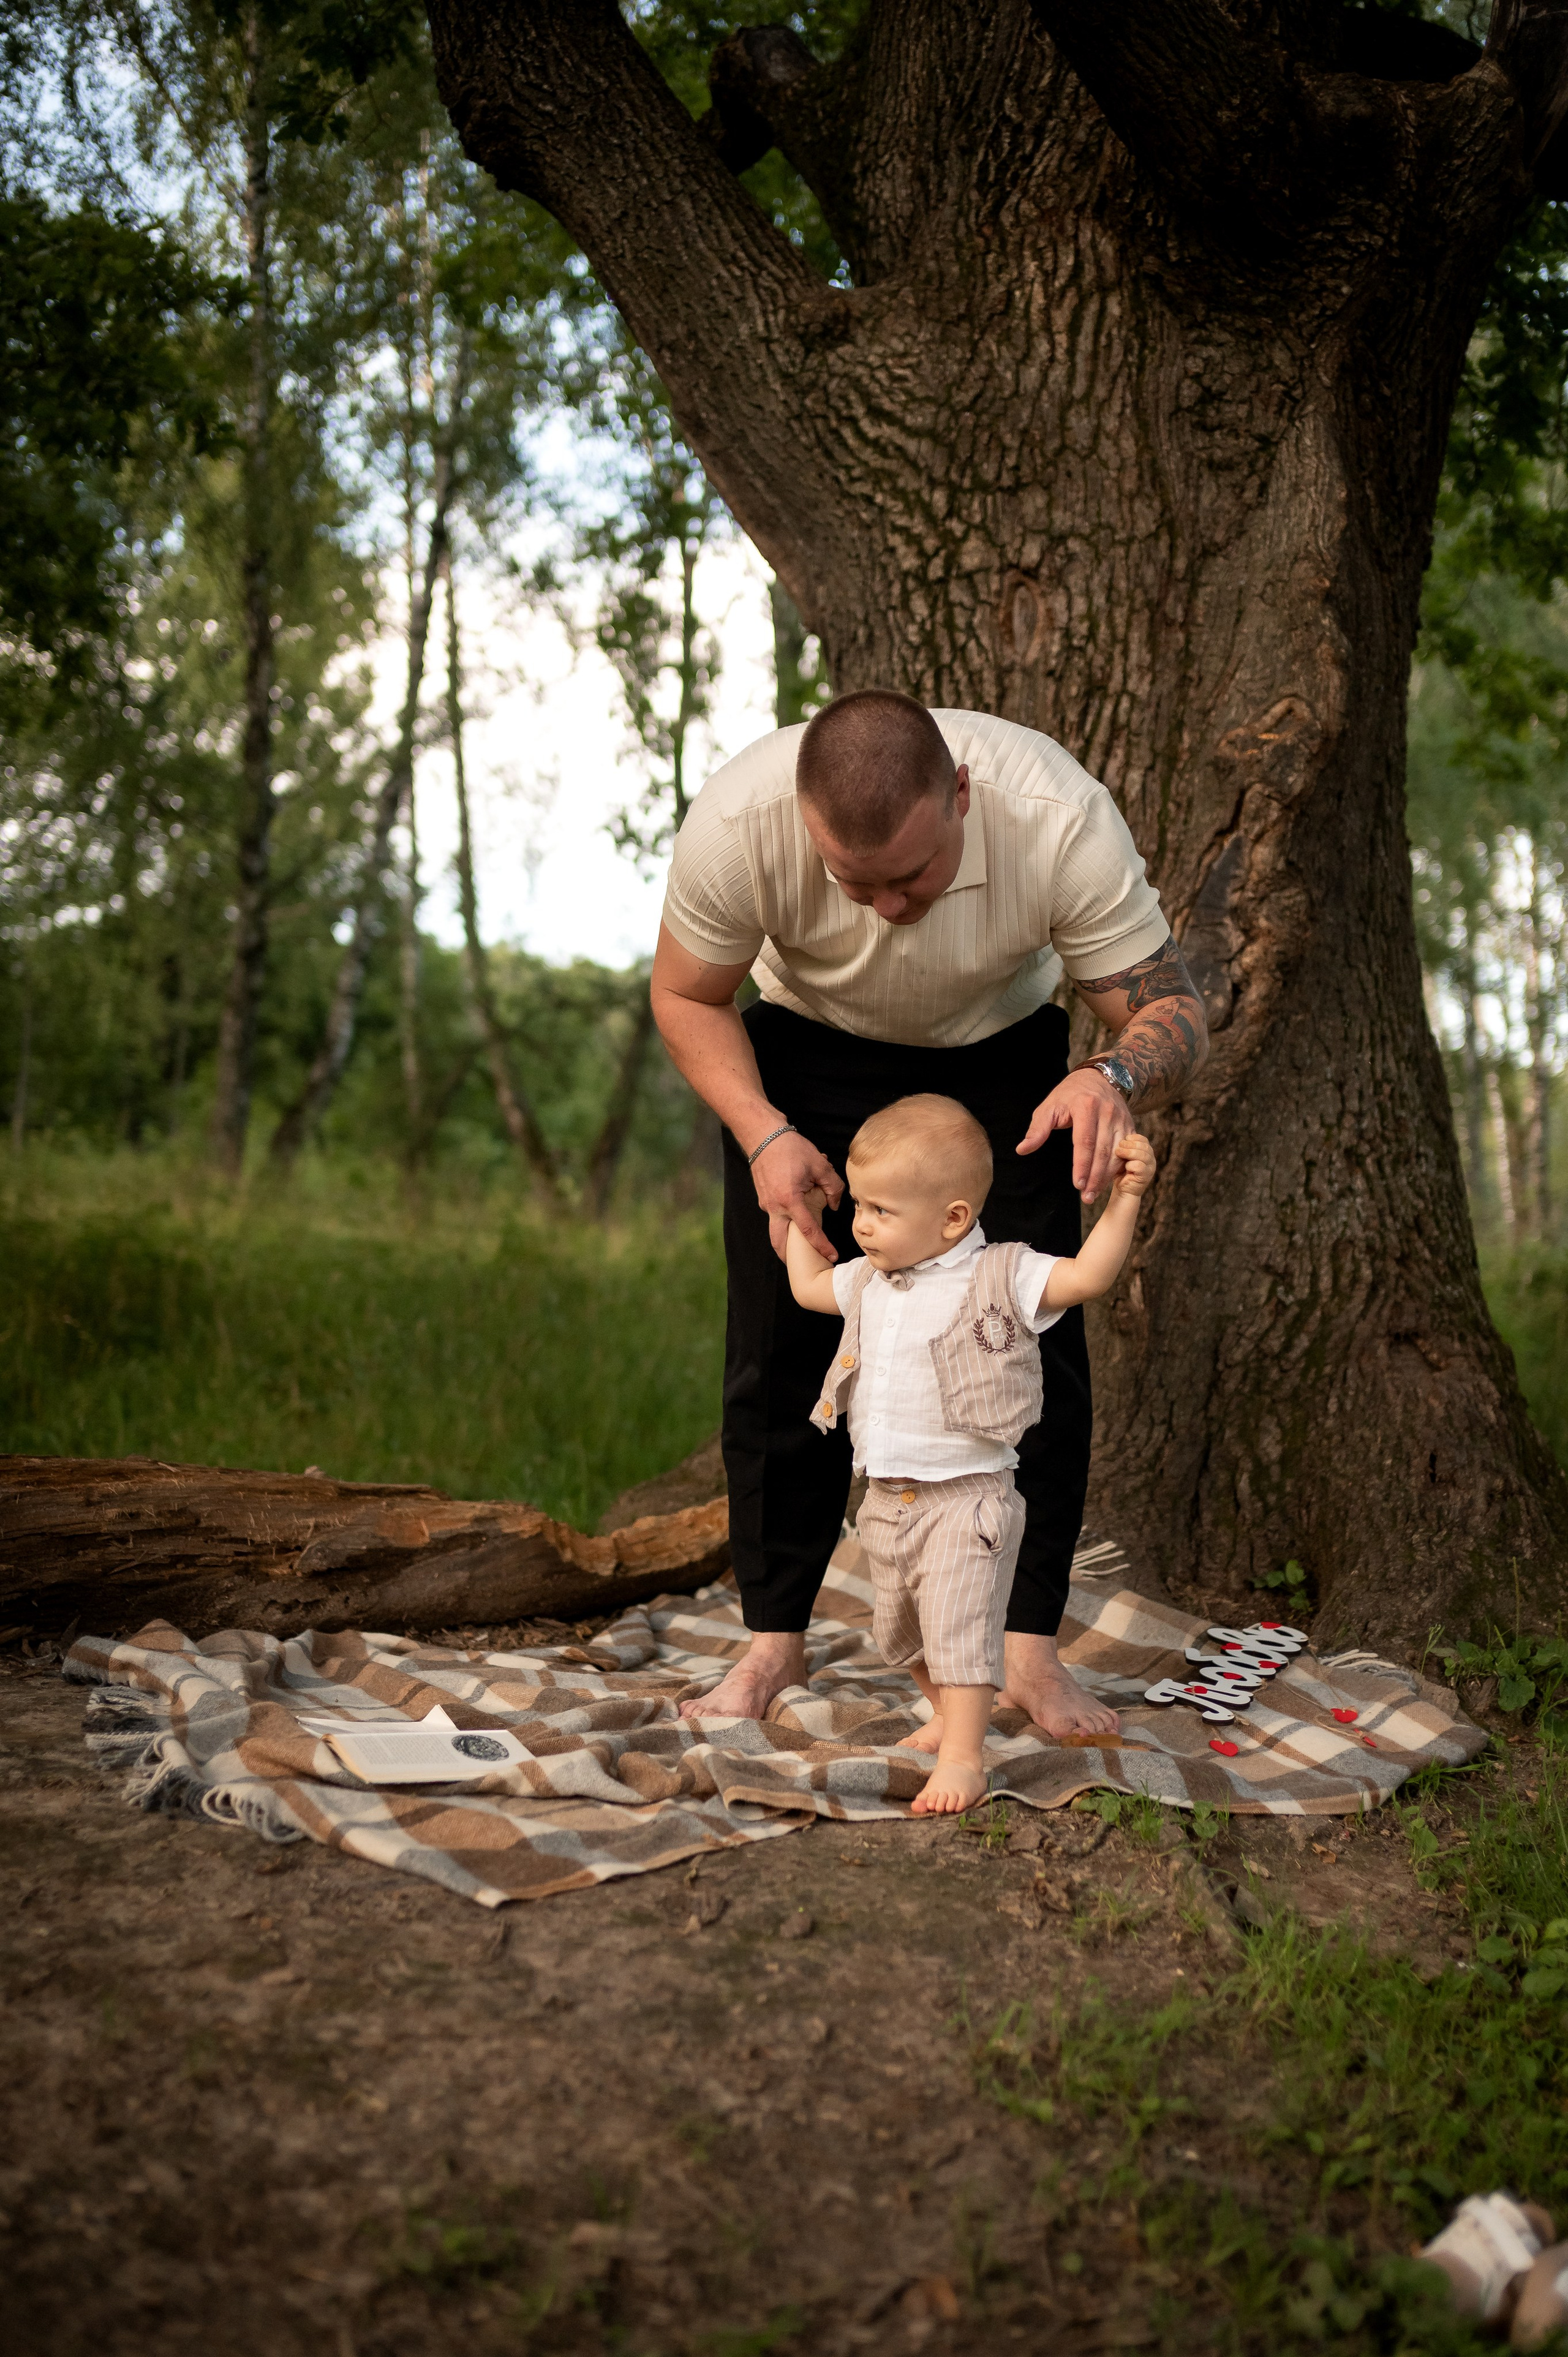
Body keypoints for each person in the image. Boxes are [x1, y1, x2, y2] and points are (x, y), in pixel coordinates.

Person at [651, 689, 1208, 1738]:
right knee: (782, 1347)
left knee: (1026, 1350)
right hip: (804, 1054)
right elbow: (686, 993)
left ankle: (1028, 1654)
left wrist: (1114, 1075)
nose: (888, 910)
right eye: (853, 882)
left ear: (960, 795)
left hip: (1001, 1060)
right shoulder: (736, 825)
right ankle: (774, 1643)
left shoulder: (1055, 819)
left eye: (911, 876)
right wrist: (765, 1134)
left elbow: (1173, 1007)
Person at [785, 1093, 1156, 1810]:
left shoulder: (999, 1272)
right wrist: (793, 1214)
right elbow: (804, 1288)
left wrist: (1127, 1198)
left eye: (881, 1210)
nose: (860, 1222)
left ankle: (964, 1756)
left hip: (967, 1497)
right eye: (859, 1204)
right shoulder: (868, 1277)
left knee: (959, 1631)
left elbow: (1087, 1277)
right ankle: (948, 1715)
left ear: (953, 1218)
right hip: (886, 1497)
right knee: (899, 1630)